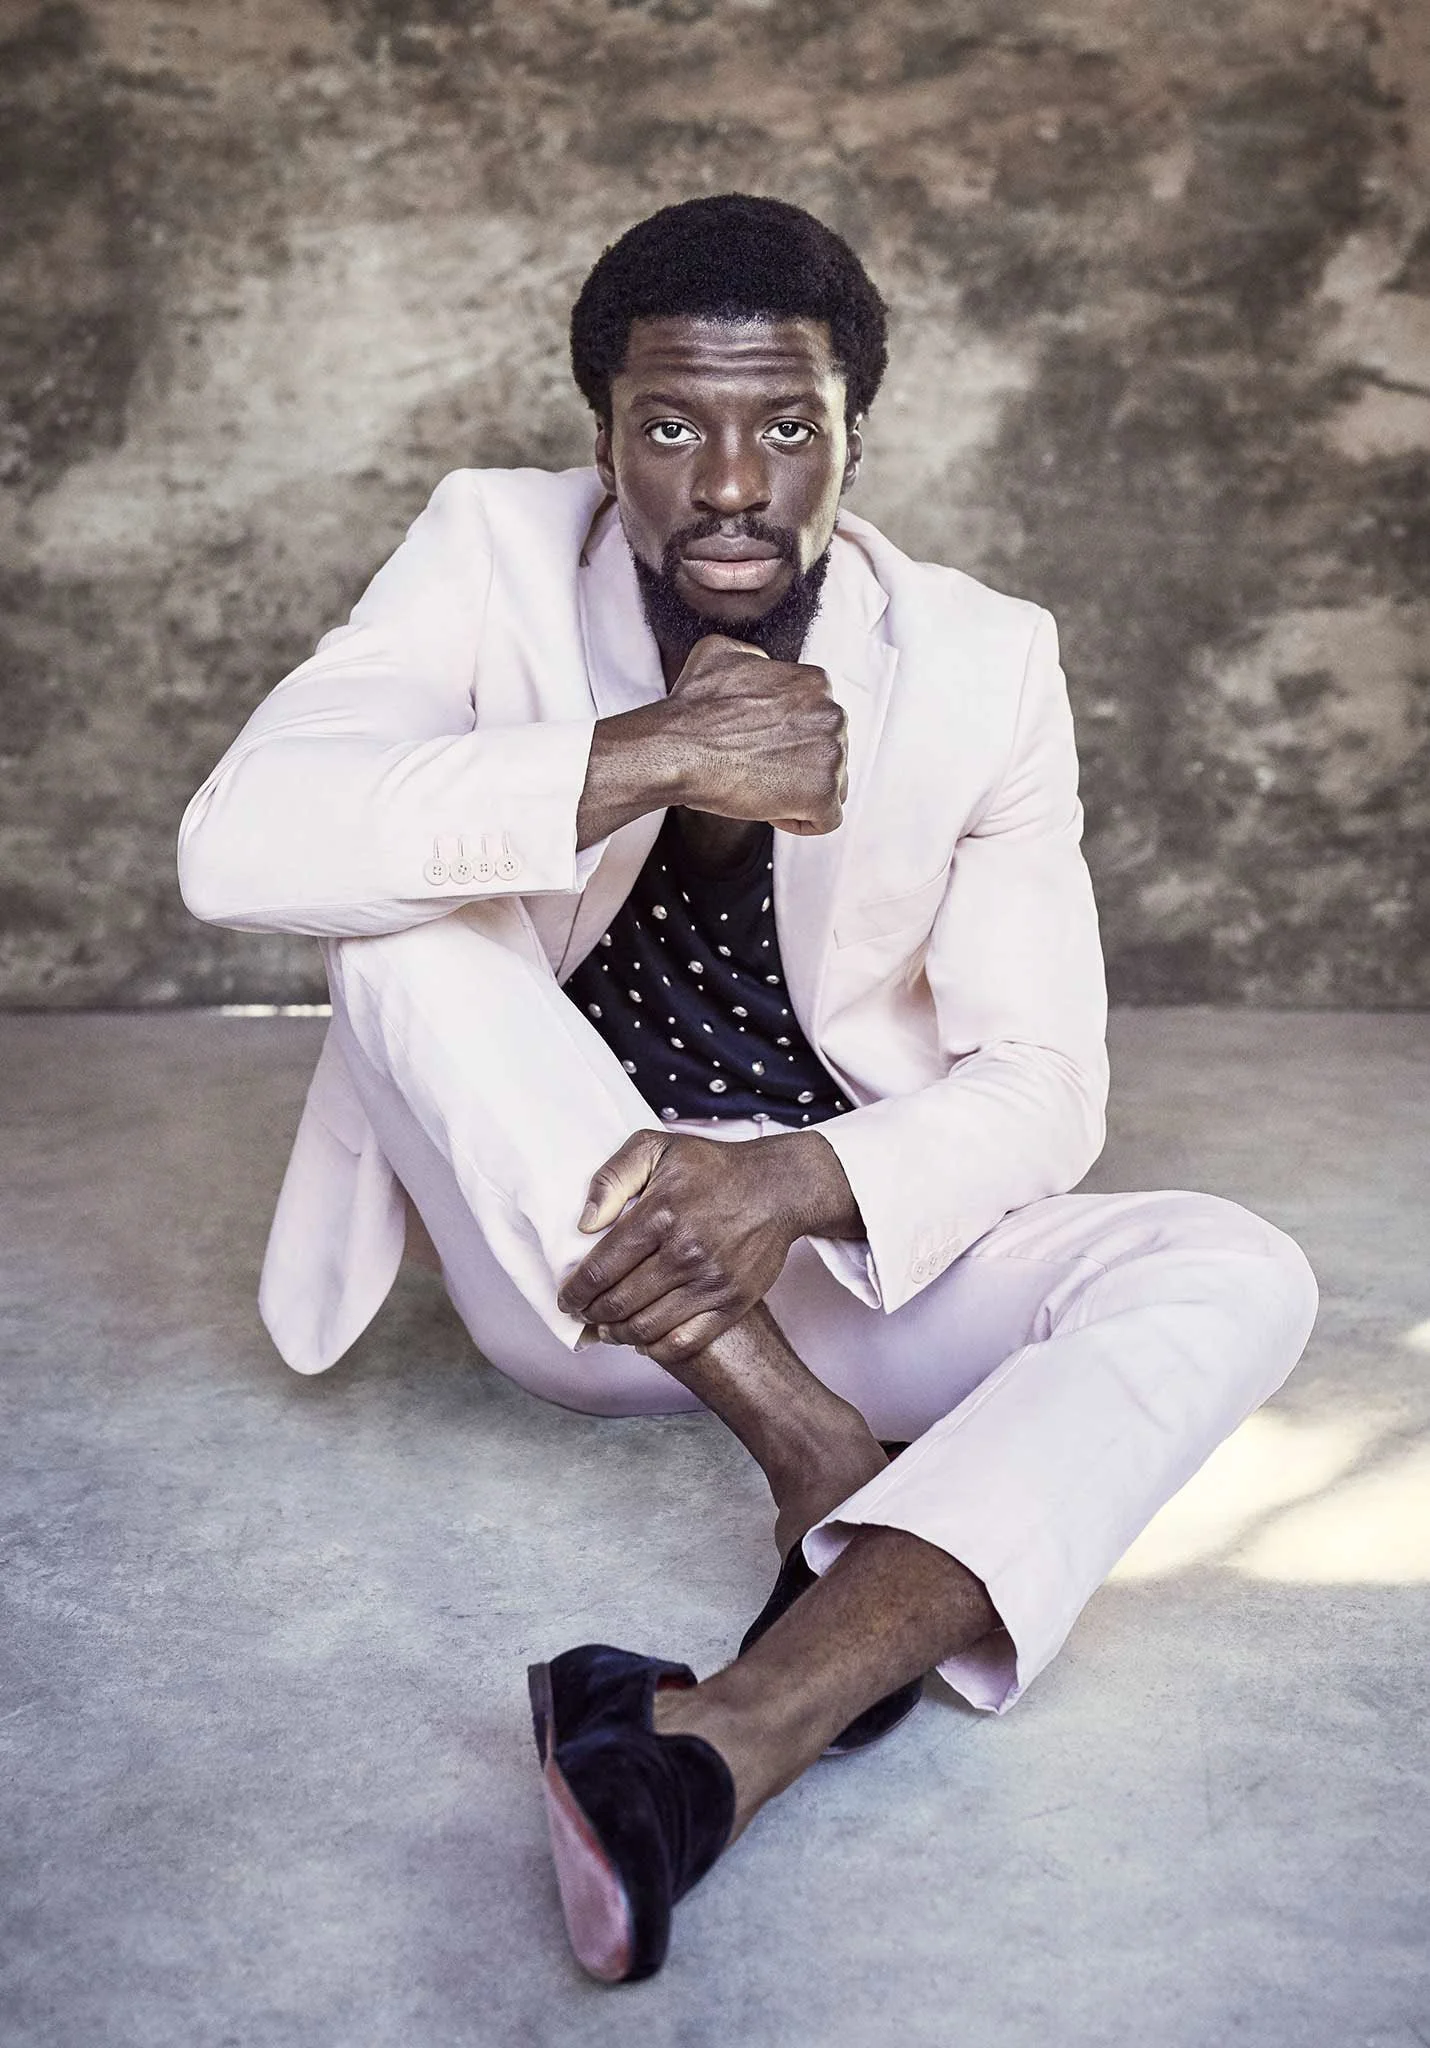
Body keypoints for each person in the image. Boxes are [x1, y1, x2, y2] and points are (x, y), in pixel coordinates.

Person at [178, 194, 1318, 1984]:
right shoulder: (485, 550)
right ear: (602, 439)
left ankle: (721, 1739)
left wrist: (791, 1180)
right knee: (391, 928)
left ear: (852, 437)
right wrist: (648, 754)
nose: (729, 483)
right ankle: (810, 1451)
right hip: (572, 1274)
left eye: (786, 428)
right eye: (671, 428)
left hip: (825, 1239)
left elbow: (1041, 1082)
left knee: (1238, 1268)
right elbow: (238, 846)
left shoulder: (980, 654)